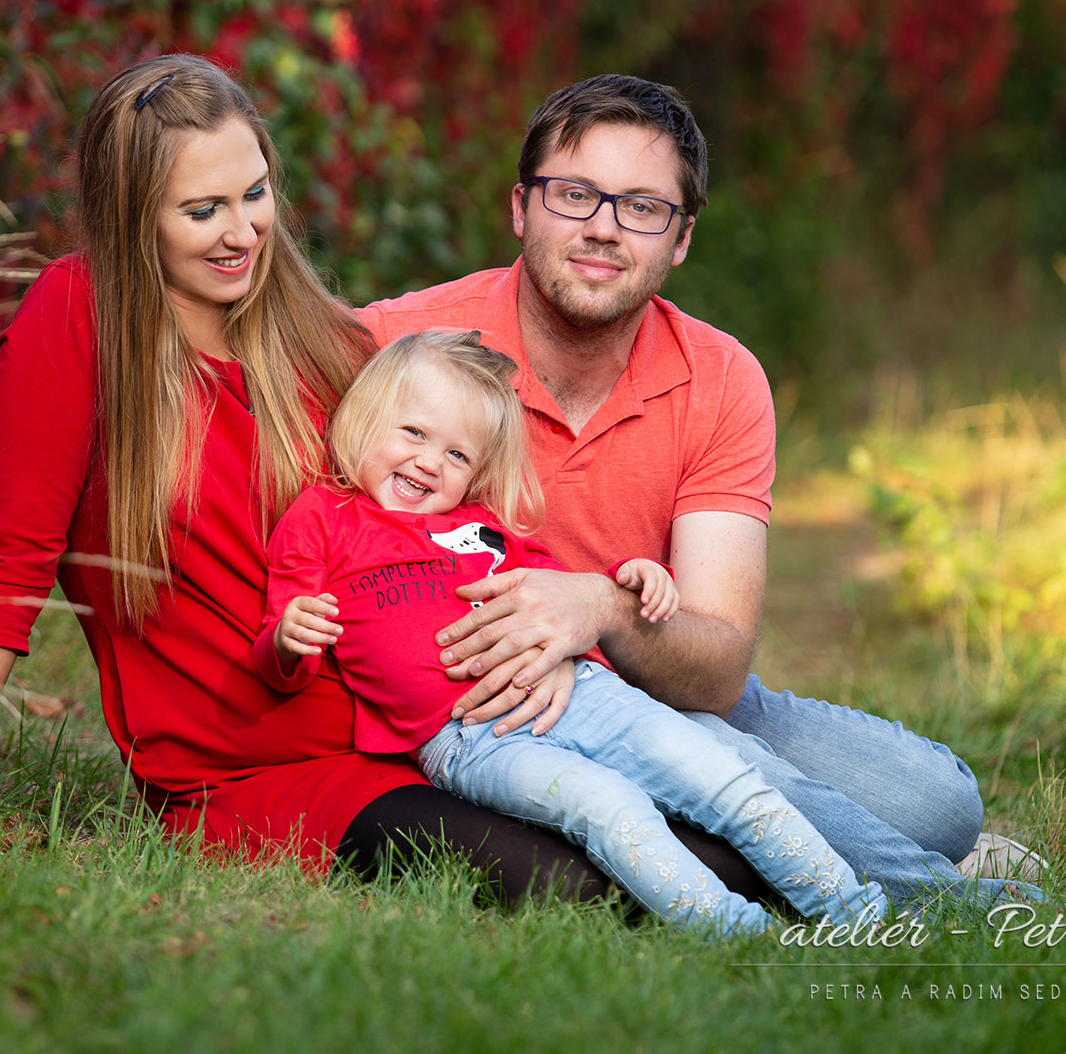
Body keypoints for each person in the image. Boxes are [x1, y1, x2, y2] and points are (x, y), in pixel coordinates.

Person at [0, 54, 780, 906]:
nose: (240, 231)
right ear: (132, 215)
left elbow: (444, 514)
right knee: (582, 879)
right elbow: (8, 576)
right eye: (201, 210)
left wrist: (569, 623)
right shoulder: (76, 320)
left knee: (717, 831)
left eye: (254, 194)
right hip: (255, 765)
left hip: (418, 714)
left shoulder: (319, 340)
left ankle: (840, 864)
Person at [356, 73, 1043, 903]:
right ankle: (934, 894)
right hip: (481, 709)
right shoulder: (399, 344)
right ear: (520, 207)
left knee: (940, 804)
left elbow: (715, 665)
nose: (603, 227)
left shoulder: (719, 378)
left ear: (679, 239)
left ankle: (860, 837)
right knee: (737, 769)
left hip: (657, 680)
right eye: (573, 194)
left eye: (642, 207)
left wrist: (601, 607)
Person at [251, 329, 890, 936]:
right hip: (470, 739)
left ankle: (855, 912)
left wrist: (633, 578)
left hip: (582, 694)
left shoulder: (479, 527)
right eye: (414, 432)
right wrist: (288, 638)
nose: (429, 462)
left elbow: (565, 597)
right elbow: (281, 649)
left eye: (457, 454)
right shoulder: (321, 518)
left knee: (719, 777)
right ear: (364, 420)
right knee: (605, 807)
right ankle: (735, 933)